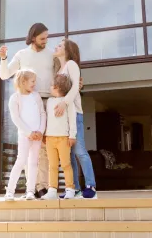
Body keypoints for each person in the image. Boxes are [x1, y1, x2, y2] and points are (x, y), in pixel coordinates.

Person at [0, 23, 53, 198]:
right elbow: (5, 74)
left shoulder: (51, 55)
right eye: (42, 38)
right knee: (28, 150)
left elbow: (61, 74)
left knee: (43, 148)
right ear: (33, 37)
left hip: (45, 101)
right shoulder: (22, 55)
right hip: (27, 102)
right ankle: (31, 188)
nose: (45, 41)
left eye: (46, 38)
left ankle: (42, 187)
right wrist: (3, 58)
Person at [53, 38, 97, 199]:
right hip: (62, 117)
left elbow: (74, 89)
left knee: (79, 151)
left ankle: (90, 186)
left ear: (68, 50)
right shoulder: (58, 69)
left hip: (74, 113)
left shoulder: (71, 64)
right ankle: (74, 188)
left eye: (60, 45)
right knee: (68, 154)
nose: (56, 47)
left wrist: (64, 103)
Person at [5, 69, 46, 201]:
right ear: (23, 82)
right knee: (21, 160)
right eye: (32, 81)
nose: (34, 84)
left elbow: (42, 113)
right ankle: (10, 191)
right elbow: (16, 118)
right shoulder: (15, 98)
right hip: (25, 135)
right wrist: (29, 133)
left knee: (33, 163)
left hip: (37, 136)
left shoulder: (36, 96)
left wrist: (40, 131)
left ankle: (30, 191)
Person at [43, 73, 77, 200]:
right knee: (52, 165)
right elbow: (46, 118)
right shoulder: (49, 102)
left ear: (56, 87)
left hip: (64, 138)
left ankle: (70, 189)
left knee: (66, 164)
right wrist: (44, 134)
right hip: (50, 138)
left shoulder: (68, 103)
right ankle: (52, 190)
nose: (50, 87)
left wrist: (72, 136)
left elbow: (72, 120)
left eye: (51, 85)